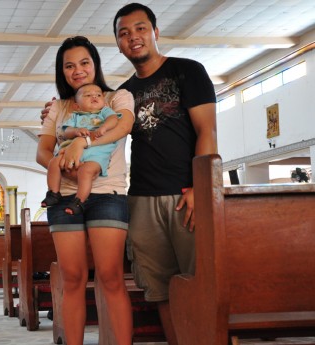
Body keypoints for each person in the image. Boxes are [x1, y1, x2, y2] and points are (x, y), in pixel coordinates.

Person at [114, 3, 218, 344]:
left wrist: (198, 189)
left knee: (200, 283)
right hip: (142, 201)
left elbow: (207, 132)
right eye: (124, 33)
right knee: (159, 290)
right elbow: (91, 119)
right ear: (118, 43)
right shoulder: (123, 93)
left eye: (140, 28)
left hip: (186, 196)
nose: (134, 37)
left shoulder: (188, 72)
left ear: (155, 32)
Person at [36, 36, 134, 345]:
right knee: (73, 279)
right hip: (64, 195)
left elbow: (122, 128)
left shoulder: (117, 97)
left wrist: (84, 142)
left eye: (84, 62)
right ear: (62, 72)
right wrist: (59, 162)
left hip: (108, 194)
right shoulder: (59, 107)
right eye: (69, 65)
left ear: (95, 64)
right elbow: (43, 151)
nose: (77, 70)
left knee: (110, 277)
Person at [41, 83, 122, 215]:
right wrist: (76, 131)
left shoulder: (104, 111)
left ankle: (79, 201)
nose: (94, 97)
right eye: (88, 95)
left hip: (96, 153)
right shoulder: (75, 116)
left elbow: (113, 120)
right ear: (77, 106)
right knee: (53, 163)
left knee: (85, 172)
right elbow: (66, 131)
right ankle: (53, 193)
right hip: (71, 152)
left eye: (98, 95)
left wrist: (104, 127)